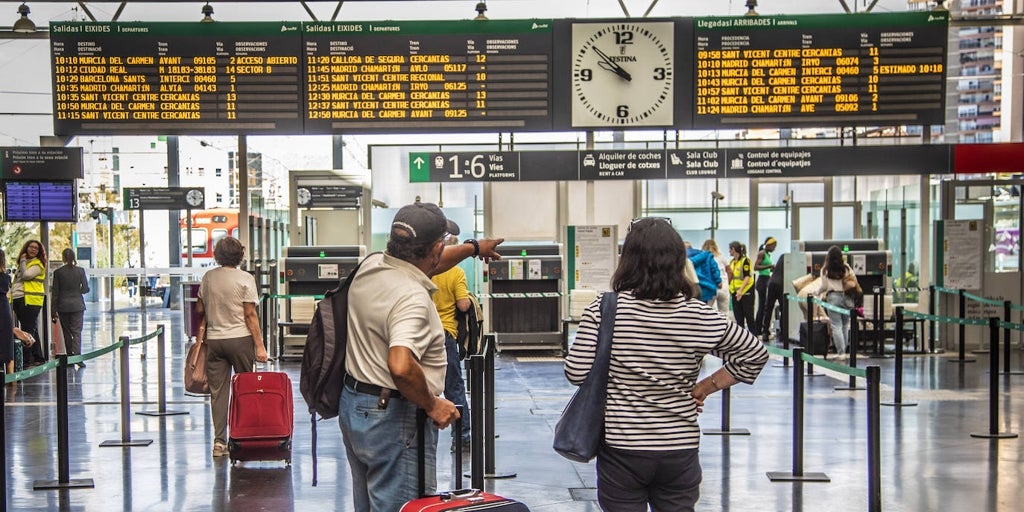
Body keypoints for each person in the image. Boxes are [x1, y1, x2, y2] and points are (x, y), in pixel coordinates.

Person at [565, 218, 768, 511]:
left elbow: (575, 372)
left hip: (623, 446)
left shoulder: (605, 308)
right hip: (680, 447)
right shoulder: (699, 314)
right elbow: (754, 354)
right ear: (678, 262)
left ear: (628, 261)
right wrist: (705, 387)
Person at [339, 201, 504, 512]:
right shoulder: (411, 296)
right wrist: (433, 403)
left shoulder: (371, 265)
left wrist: (473, 248)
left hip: (356, 404)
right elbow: (400, 365)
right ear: (436, 247)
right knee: (403, 506)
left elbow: (433, 264)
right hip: (395, 417)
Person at [196, 237, 268, 458]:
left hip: (215, 340)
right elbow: (250, 315)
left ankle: (219, 442)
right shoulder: (245, 278)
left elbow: (200, 308)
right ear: (240, 255)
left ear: (217, 254)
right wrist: (260, 346)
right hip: (240, 339)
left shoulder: (208, 277)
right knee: (245, 388)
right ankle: (242, 436)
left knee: (218, 393)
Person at [430, 228, 472, 451]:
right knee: (454, 387)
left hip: (423, 333)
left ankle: (426, 437)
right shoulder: (456, 273)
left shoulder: (425, 271)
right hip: (445, 334)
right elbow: (463, 305)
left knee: (427, 387)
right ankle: (462, 437)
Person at [51, 248, 90, 366]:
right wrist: (77, 291)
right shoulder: (80, 271)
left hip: (63, 306)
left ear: (63, 258)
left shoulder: (58, 273)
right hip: (78, 305)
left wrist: (53, 311)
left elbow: (55, 293)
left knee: (67, 332)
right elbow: (86, 289)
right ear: (74, 258)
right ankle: (78, 356)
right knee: (77, 332)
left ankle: (70, 357)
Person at [11, 240, 47, 367]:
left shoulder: (38, 264)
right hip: (19, 299)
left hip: (31, 301)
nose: (32, 249)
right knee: (32, 329)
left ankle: (26, 360)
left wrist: (22, 261)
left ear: (39, 252)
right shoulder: (25, 263)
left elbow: (26, 276)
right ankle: (38, 357)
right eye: (31, 247)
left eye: (36, 248)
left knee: (27, 330)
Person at [817, 245, 856, 358]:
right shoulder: (846, 268)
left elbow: (824, 287)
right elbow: (854, 280)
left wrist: (817, 292)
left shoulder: (825, 269)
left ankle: (841, 352)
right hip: (846, 298)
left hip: (833, 298)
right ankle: (845, 350)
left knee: (836, 325)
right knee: (845, 325)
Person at [728, 241, 756, 333]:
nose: (729, 251)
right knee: (738, 318)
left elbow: (747, 276)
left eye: (730, 249)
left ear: (733, 249)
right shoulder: (732, 262)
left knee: (749, 316)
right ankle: (741, 339)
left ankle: (753, 338)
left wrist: (741, 290)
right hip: (735, 293)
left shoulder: (745, 261)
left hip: (746, 292)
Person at [758, 253, 787, 341]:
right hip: (781, 284)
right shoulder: (787, 259)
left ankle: (765, 332)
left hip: (771, 283)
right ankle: (783, 334)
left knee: (768, 309)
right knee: (783, 309)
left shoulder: (781, 257)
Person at [753, 237, 777, 336]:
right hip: (762, 281)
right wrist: (769, 266)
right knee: (762, 306)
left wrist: (772, 269)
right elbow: (756, 267)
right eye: (774, 246)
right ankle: (758, 329)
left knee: (764, 306)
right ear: (769, 245)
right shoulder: (762, 253)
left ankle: (762, 328)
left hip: (766, 278)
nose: (774, 249)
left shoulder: (767, 255)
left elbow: (765, 269)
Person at [702, 239, 731, 320]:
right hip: (724, 287)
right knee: (724, 313)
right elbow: (730, 271)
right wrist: (727, 283)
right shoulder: (722, 257)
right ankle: (725, 331)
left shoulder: (704, 257)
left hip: (711, 287)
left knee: (707, 311)